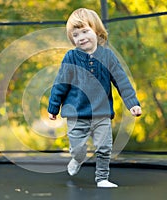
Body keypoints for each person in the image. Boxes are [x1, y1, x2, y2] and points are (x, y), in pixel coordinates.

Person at [47, 8, 142, 188]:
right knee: (78, 149)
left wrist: (132, 104)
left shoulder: (107, 56)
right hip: (76, 114)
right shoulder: (71, 57)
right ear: (72, 39)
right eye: (76, 35)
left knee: (105, 148)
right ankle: (77, 159)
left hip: (102, 113)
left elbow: (121, 81)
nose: (81, 37)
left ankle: (102, 179)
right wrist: (54, 107)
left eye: (85, 31)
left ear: (96, 31)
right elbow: (61, 83)